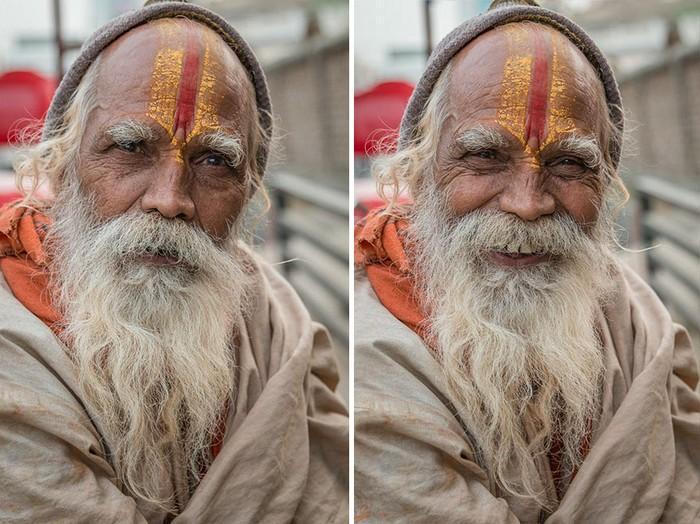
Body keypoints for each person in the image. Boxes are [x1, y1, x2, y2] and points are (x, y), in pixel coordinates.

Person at [0, 1, 348, 522]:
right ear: (63, 166)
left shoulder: (276, 324)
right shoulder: (12, 351)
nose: (170, 199)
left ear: (249, 189)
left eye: (214, 161)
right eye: (130, 147)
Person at [354, 1, 700, 522]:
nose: (528, 202)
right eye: (486, 156)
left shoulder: (637, 326)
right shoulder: (375, 361)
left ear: (605, 184)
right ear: (420, 169)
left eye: (568, 164)